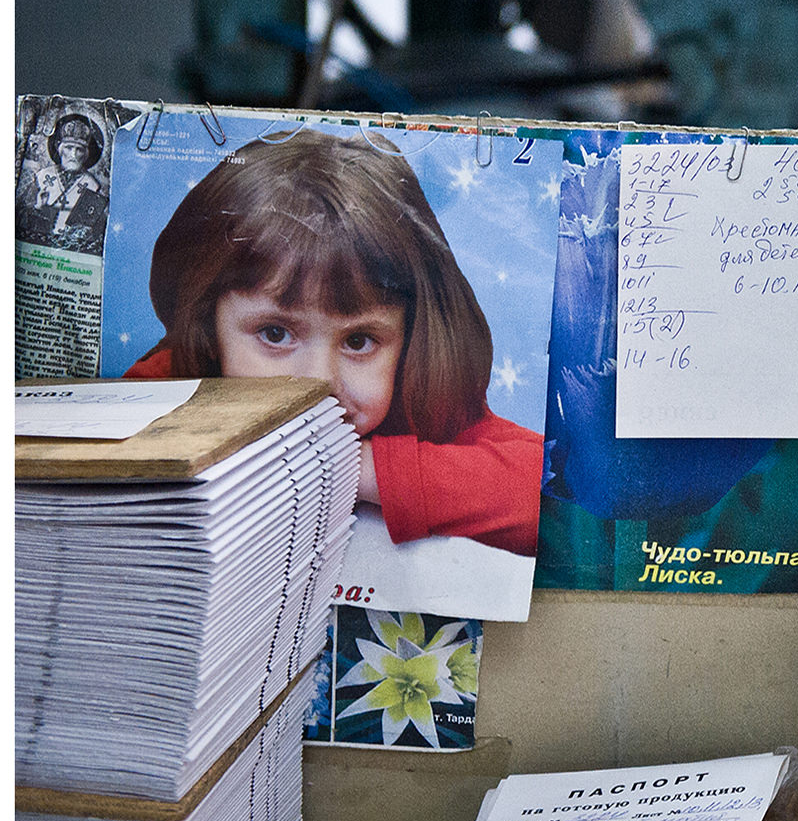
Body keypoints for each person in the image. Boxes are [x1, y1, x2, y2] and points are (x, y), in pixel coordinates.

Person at [122, 128, 541, 557]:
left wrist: (358, 468)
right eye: (275, 334)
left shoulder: (427, 410)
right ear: (208, 326)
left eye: (359, 341)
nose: (319, 384)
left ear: (412, 337)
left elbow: (548, 494)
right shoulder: (175, 381)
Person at [20, 111, 108, 254]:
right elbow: (19, 217)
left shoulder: (93, 185)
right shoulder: (42, 176)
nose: (73, 155)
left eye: (79, 149)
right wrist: (38, 206)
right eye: (69, 148)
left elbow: (98, 229)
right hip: (39, 251)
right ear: (60, 150)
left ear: (86, 154)